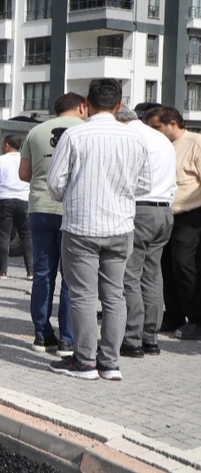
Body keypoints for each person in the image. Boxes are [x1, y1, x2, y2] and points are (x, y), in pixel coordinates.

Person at [47, 79, 150, 381]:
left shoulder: (74, 135)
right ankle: (110, 364)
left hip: (81, 226)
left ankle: (84, 362)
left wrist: (73, 196)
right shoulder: (135, 139)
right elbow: (144, 185)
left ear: (87, 104)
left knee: (82, 296)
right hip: (120, 227)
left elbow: (55, 183)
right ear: (119, 105)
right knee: (115, 295)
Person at [19, 93, 86, 355]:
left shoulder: (35, 132)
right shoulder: (85, 131)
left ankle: (41, 334)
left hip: (39, 208)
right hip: (72, 210)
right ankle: (67, 339)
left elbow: (24, 174)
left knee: (43, 272)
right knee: (71, 276)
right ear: (81, 107)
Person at [115, 108, 176, 358]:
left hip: (140, 209)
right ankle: (150, 337)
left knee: (130, 275)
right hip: (164, 211)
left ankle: (132, 339)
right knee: (152, 275)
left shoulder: (130, 138)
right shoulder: (161, 139)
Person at [145, 106, 201, 340]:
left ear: (172, 124)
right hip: (166, 215)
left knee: (184, 264)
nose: (153, 131)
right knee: (165, 266)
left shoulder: (195, 143)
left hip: (191, 215)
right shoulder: (160, 146)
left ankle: (197, 319)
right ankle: (174, 315)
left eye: (156, 127)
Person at [0, 134, 33, 280]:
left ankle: (3, 271)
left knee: (3, 236)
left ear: (7, 145)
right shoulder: (26, 160)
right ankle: (30, 271)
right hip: (24, 201)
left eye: (3, 144)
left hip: (4, 201)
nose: (2, 146)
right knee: (26, 236)